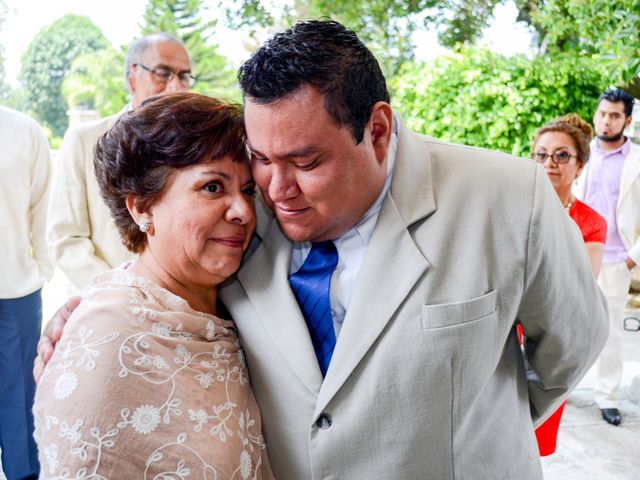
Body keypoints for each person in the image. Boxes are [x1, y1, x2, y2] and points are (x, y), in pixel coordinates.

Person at [37, 20, 608, 479]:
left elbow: (571, 346)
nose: (275, 190)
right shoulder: (247, 208)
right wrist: (89, 312)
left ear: (377, 131)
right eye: (261, 158)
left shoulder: (508, 197)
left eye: (306, 163)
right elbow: (172, 260)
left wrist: (475, 421)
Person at [33, 93, 273, 478]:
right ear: (141, 207)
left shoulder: (237, 293)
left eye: (247, 191)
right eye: (212, 187)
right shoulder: (107, 338)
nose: (243, 212)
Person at [47, 32, 194, 291]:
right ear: (132, 77)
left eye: (184, 76)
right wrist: (122, 290)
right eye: (162, 73)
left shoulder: (197, 146)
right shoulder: (85, 140)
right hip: (105, 302)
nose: (176, 86)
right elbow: (65, 238)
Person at [529, 113, 607, 455]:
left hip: (549, 344)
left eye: (562, 155)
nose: (550, 163)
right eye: (541, 154)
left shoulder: (591, 222)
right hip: (500, 336)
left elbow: (579, 289)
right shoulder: (515, 209)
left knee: (533, 441)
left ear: (580, 165)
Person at [574, 88, 640, 426]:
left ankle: (608, 397)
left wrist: (632, 257)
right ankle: (562, 386)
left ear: (627, 120)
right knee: (567, 321)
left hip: (616, 260)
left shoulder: (637, 161)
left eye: (615, 115)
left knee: (611, 330)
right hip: (577, 252)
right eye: (602, 113)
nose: (606, 120)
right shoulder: (580, 155)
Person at [0, 106, 52, 479]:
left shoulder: (25, 131)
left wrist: (42, 269)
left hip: (15, 290)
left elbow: (42, 207)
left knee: (20, 403)